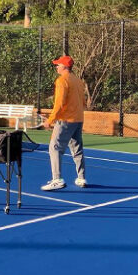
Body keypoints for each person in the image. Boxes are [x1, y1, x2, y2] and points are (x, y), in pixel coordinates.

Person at [40, 55, 87, 191]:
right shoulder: (78, 81)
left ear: (65, 66)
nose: (56, 67)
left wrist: (50, 120)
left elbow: (59, 103)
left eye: (58, 65)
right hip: (78, 119)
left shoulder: (62, 81)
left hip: (66, 121)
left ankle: (57, 180)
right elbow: (83, 102)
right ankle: (81, 178)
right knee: (77, 149)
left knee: (54, 148)